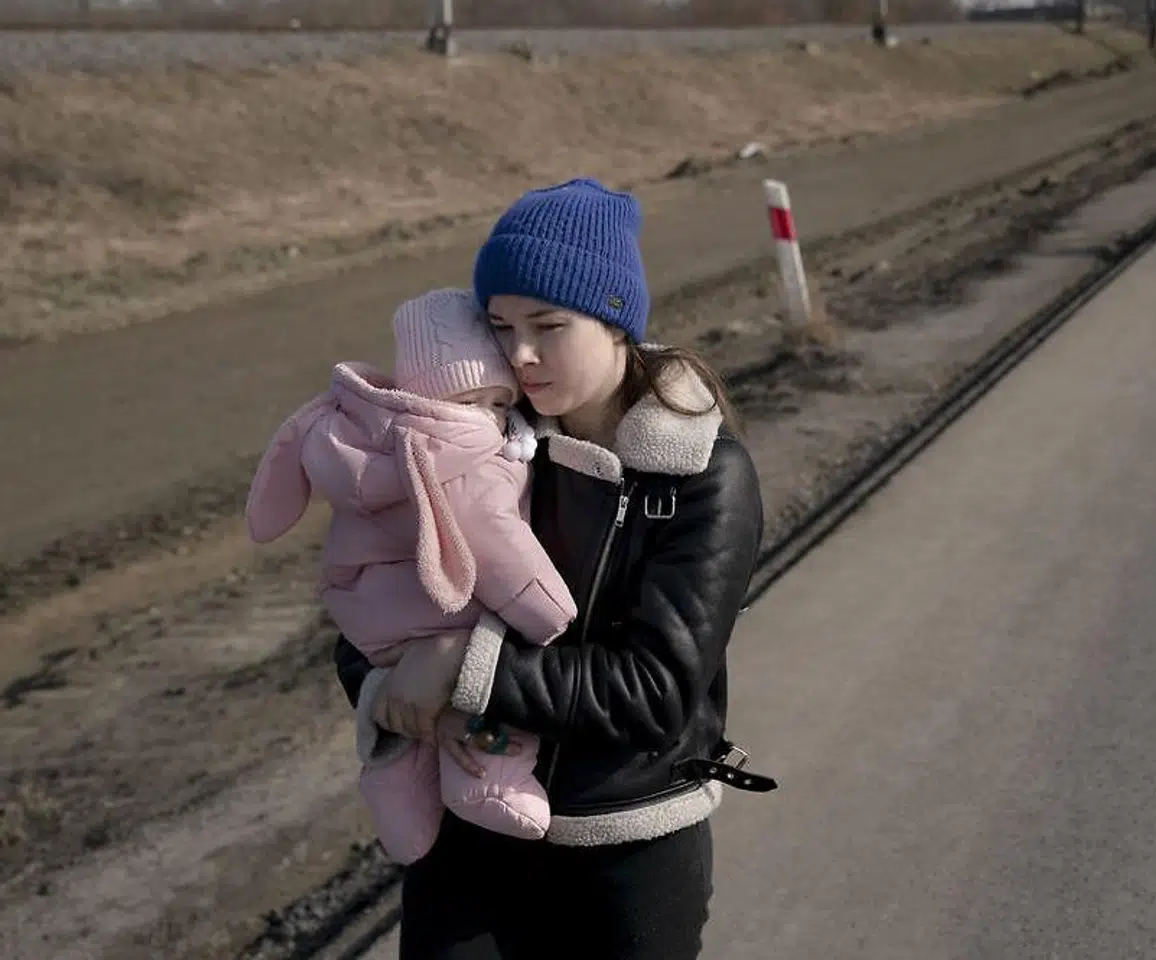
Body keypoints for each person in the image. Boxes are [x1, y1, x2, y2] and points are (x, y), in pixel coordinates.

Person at [332, 178, 775, 959]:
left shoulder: (702, 477)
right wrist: (387, 686)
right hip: (471, 837)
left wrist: (458, 668)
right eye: (500, 326)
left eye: (549, 324)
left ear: (617, 324)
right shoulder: (475, 451)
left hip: (627, 848)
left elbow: (654, 690)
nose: (521, 354)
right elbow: (370, 596)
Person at [246, 288, 578, 864]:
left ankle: (395, 796)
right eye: (486, 402)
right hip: (446, 611)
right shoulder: (460, 455)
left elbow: (277, 483)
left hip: (369, 618)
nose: (496, 418)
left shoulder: (353, 434)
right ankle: (488, 783)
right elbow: (502, 552)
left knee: (405, 736)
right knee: (482, 721)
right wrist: (551, 615)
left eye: (500, 404)